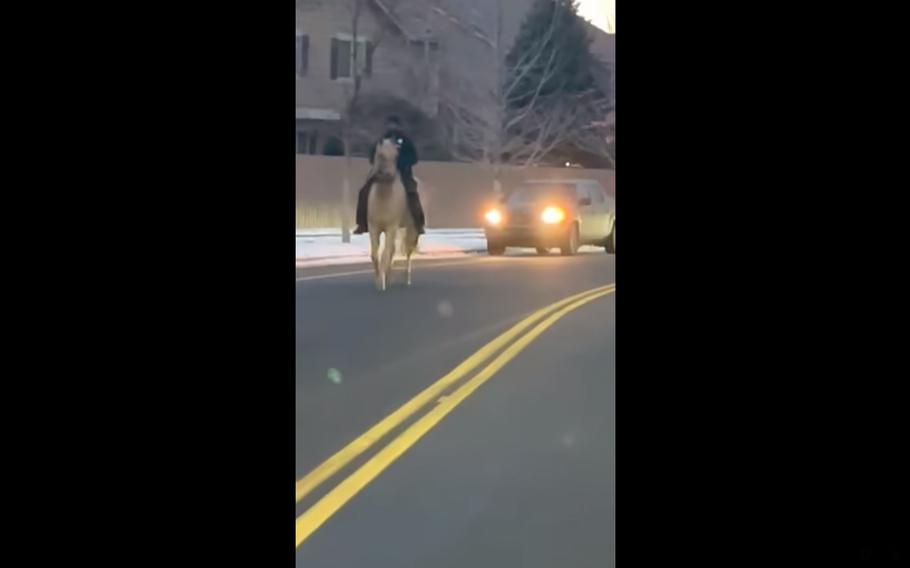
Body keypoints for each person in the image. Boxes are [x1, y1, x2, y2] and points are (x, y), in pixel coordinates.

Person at [353, 115, 426, 235]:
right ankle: (362, 223)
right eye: (389, 125)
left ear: (399, 126)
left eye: (394, 125)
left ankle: (418, 223)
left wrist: (400, 163)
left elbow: (414, 157)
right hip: (381, 172)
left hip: (402, 173)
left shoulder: (405, 141)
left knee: (412, 193)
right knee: (364, 191)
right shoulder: (381, 141)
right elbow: (372, 156)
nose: (391, 127)